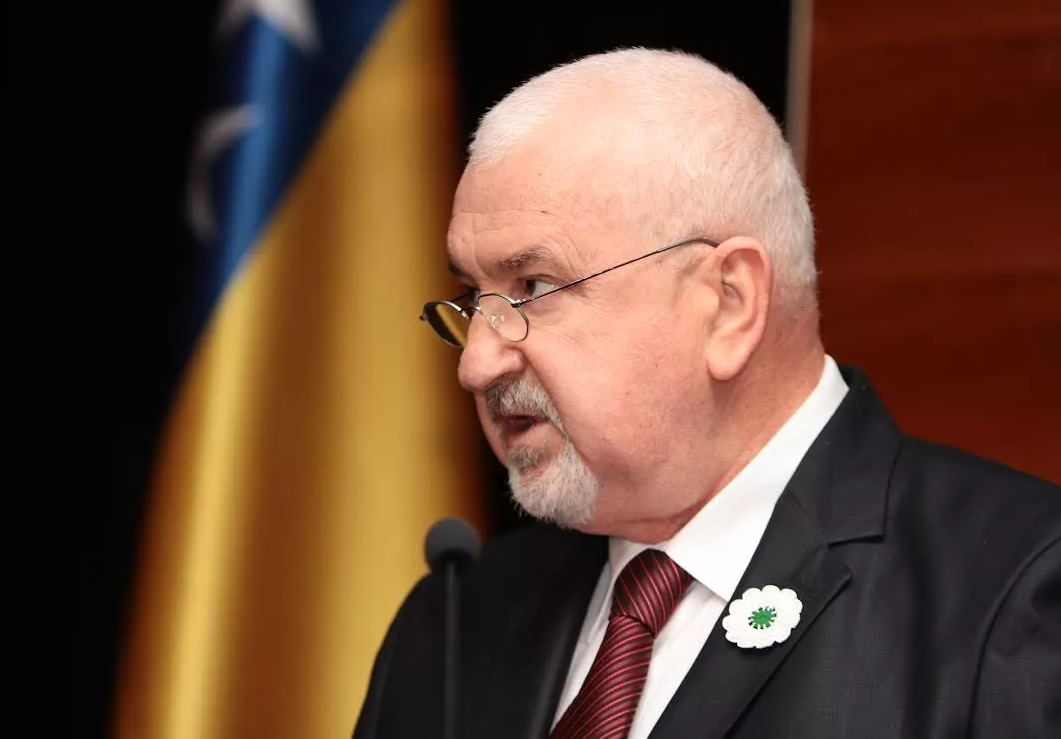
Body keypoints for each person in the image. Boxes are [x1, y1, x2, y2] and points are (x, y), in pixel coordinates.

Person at [352, 48, 1061, 739]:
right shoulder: (456, 620)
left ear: (727, 304)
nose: (476, 364)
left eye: (533, 287)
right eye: (472, 298)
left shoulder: (1015, 592)